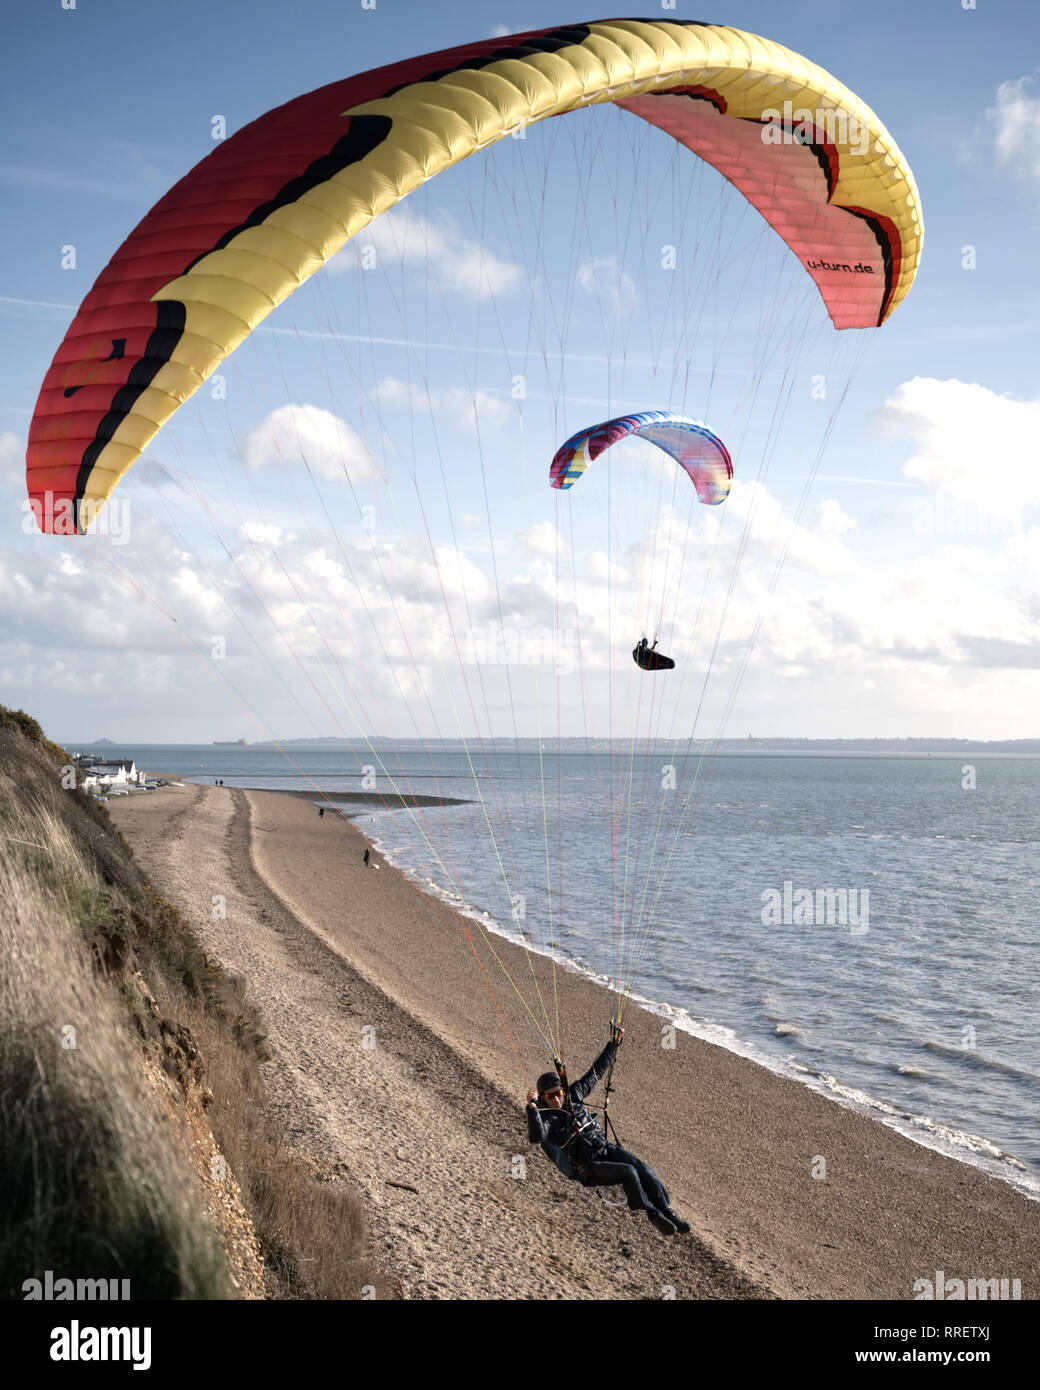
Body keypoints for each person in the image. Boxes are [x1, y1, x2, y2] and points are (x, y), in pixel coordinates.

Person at [525, 1031, 690, 1236]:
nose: (556, 1100)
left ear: (563, 1090)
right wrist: (532, 1110)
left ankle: (667, 1211)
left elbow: (595, 1072)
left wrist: (613, 1045)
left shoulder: (574, 1094)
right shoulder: (547, 1119)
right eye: (550, 1097)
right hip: (589, 1167)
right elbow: (536, 1137)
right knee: (628, 1172)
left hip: (606, 1149)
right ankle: (653, 1214)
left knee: (644, 1170)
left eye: (559, 1093)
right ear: (543, 1098)